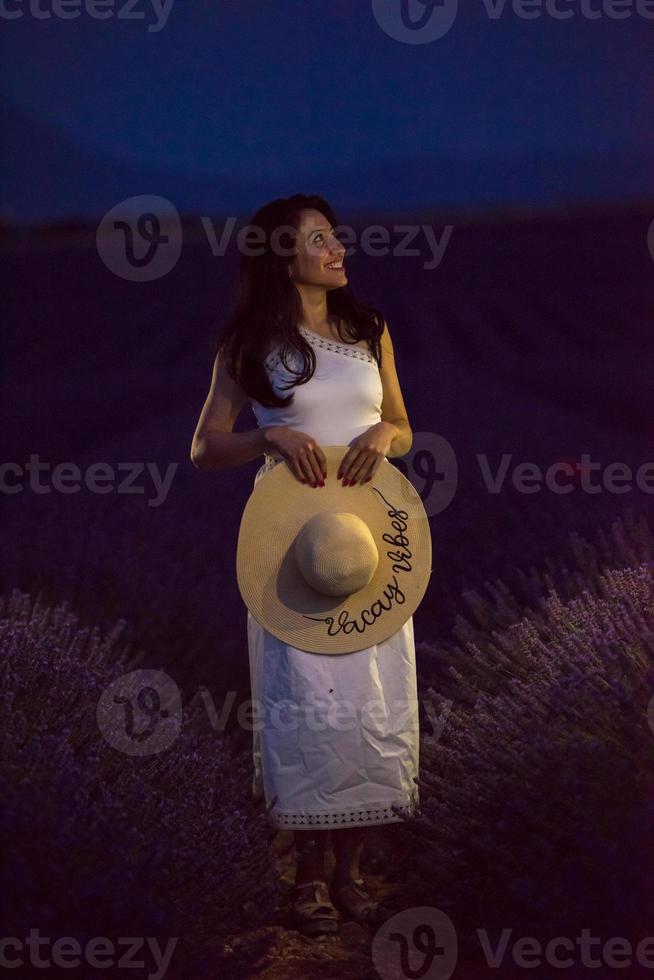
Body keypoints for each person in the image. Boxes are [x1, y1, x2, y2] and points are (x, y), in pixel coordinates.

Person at [190, 193, 420, 938]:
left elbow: (405, 427)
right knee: (307, 704)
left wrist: (387, 431)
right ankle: (307, 878)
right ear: (281, 256)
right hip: (294, 543)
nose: (337, 249)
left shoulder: (368, 327)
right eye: (318, 240)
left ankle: (353, 875)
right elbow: (204, 448)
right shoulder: (251, 343)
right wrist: (270, 439)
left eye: (335, 236)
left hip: (367, 546)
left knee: (370, 702)